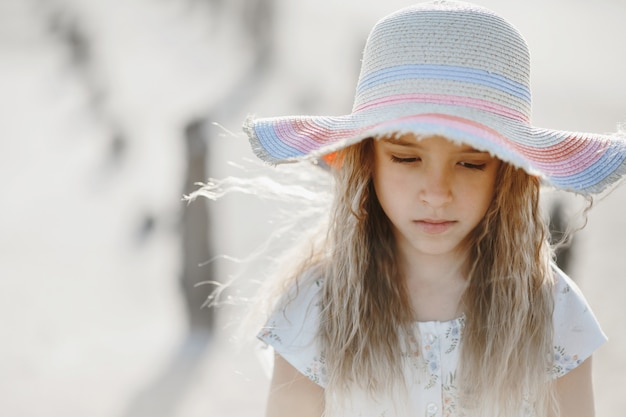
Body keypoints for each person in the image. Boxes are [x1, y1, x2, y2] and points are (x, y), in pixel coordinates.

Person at [230, 1, 626, 416]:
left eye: (472, 163)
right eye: (406, 158)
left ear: (506, 174)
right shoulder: (316, 307)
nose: (437, 193)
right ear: (367, 161)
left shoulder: (552, 311)